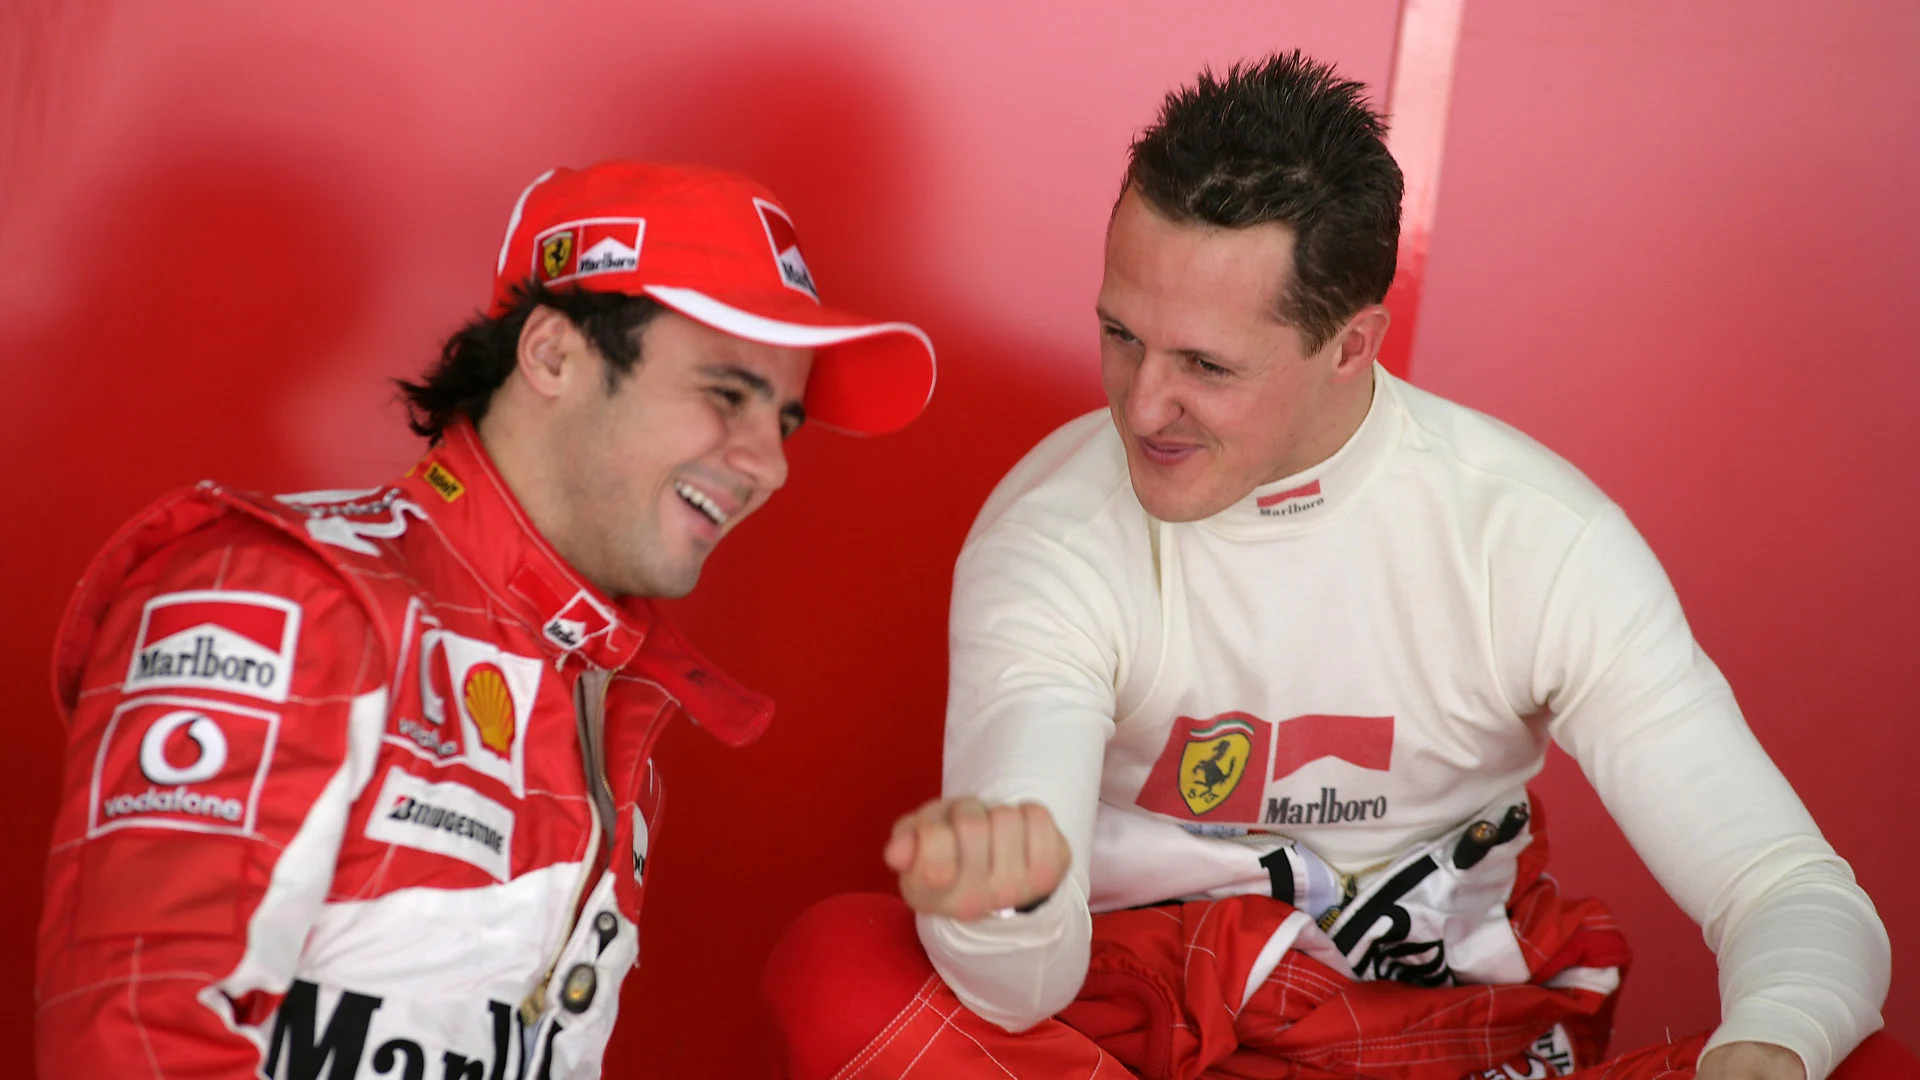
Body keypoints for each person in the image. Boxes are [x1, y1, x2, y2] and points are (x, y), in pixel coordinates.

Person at [762, 54, 1903, 1080]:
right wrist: (1001, 912)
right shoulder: (1053, 537)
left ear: (1352, 344)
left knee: (1854, 1063)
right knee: (839, 965)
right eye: (1120, 334)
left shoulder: (1533, 539)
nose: (1141, 404)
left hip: (1462, 1048)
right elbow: (1025, 987)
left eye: (1208, 364)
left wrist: (1768, 1056)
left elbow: (1791, 893)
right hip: (1149, 1041)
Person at [35, 160, 934, 1078]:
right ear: (552, 354)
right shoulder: (278, 599)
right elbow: (134, 1044)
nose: (770, 465)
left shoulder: (608, 687)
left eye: (783, 421)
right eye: (726, 394)